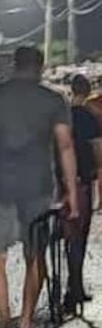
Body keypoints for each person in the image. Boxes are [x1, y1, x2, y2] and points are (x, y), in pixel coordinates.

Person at [0, 46, 78, 328]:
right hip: (38, 190)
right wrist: (73, 195)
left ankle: (4, 318)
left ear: (15, 65)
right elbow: (65, 147)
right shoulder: (54, 100)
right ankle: (26, 320)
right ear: (41, 67)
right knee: (35, 256)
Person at [63, 74, 100, 312]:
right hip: (83, 181)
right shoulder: (90, 117)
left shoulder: (62, 115)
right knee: (80, 236)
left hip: (61, 181)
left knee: (68, 235)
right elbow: (98, 150)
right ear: (87, 91)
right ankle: (74, 286)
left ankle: (71, 285)